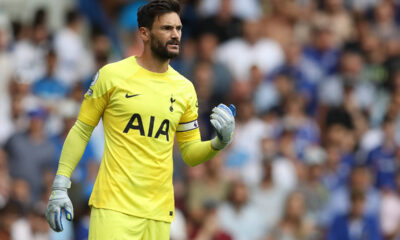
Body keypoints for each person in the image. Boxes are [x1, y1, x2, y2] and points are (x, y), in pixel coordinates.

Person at [44, 1, 236, 239]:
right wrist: (60, 186)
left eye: (178, 28)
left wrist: (218, 142)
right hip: (114, 209)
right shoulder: (111, 75)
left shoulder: (185, 89)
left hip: (158, 214)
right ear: (144, 33)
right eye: (166, 28)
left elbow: (190, 152)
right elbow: (81, 131)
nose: (175, 34)